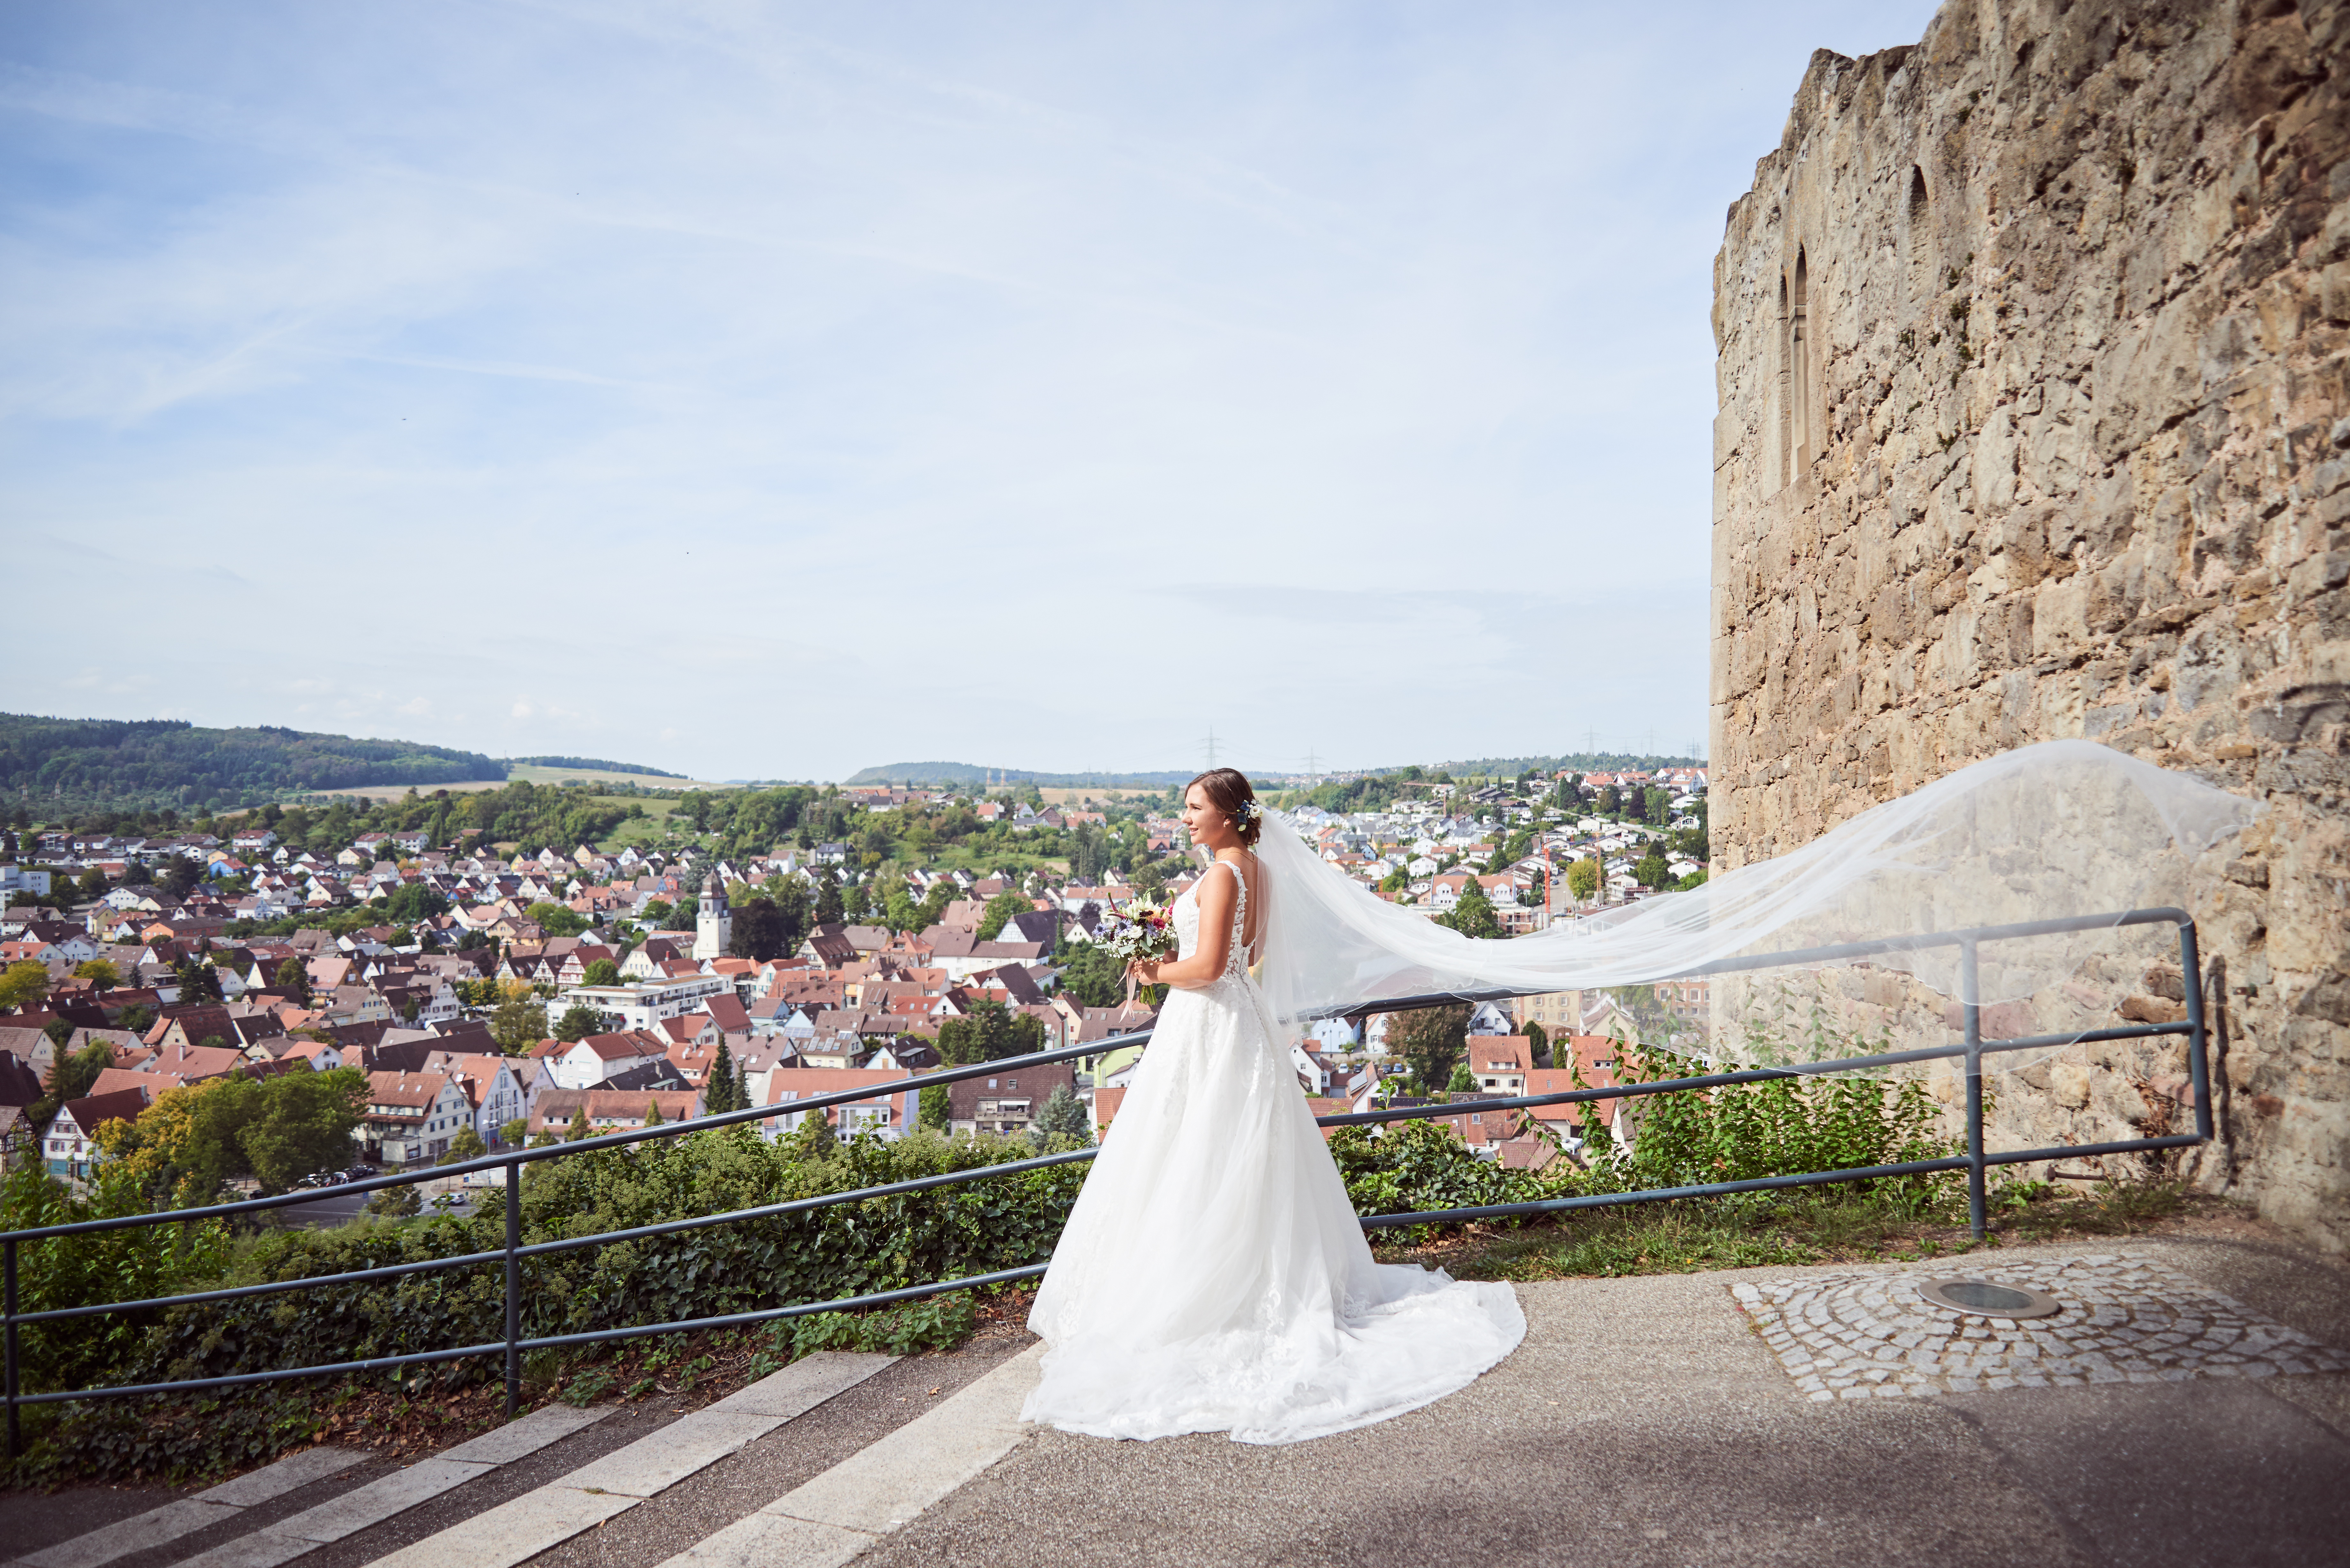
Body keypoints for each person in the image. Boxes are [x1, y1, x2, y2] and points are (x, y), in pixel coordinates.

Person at [1020, 768, 1525, 1444]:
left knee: (1198, 1150)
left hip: (1209, 1019)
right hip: (1235, 1019)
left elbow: (1207, 970)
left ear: (1230, 814)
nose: (1185, 818)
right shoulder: (1254, 867)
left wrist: (1151, 970)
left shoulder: (1225, 874)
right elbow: (1249, 952)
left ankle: (1203, 1295)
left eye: (1196, 808)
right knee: (1226, 1150)